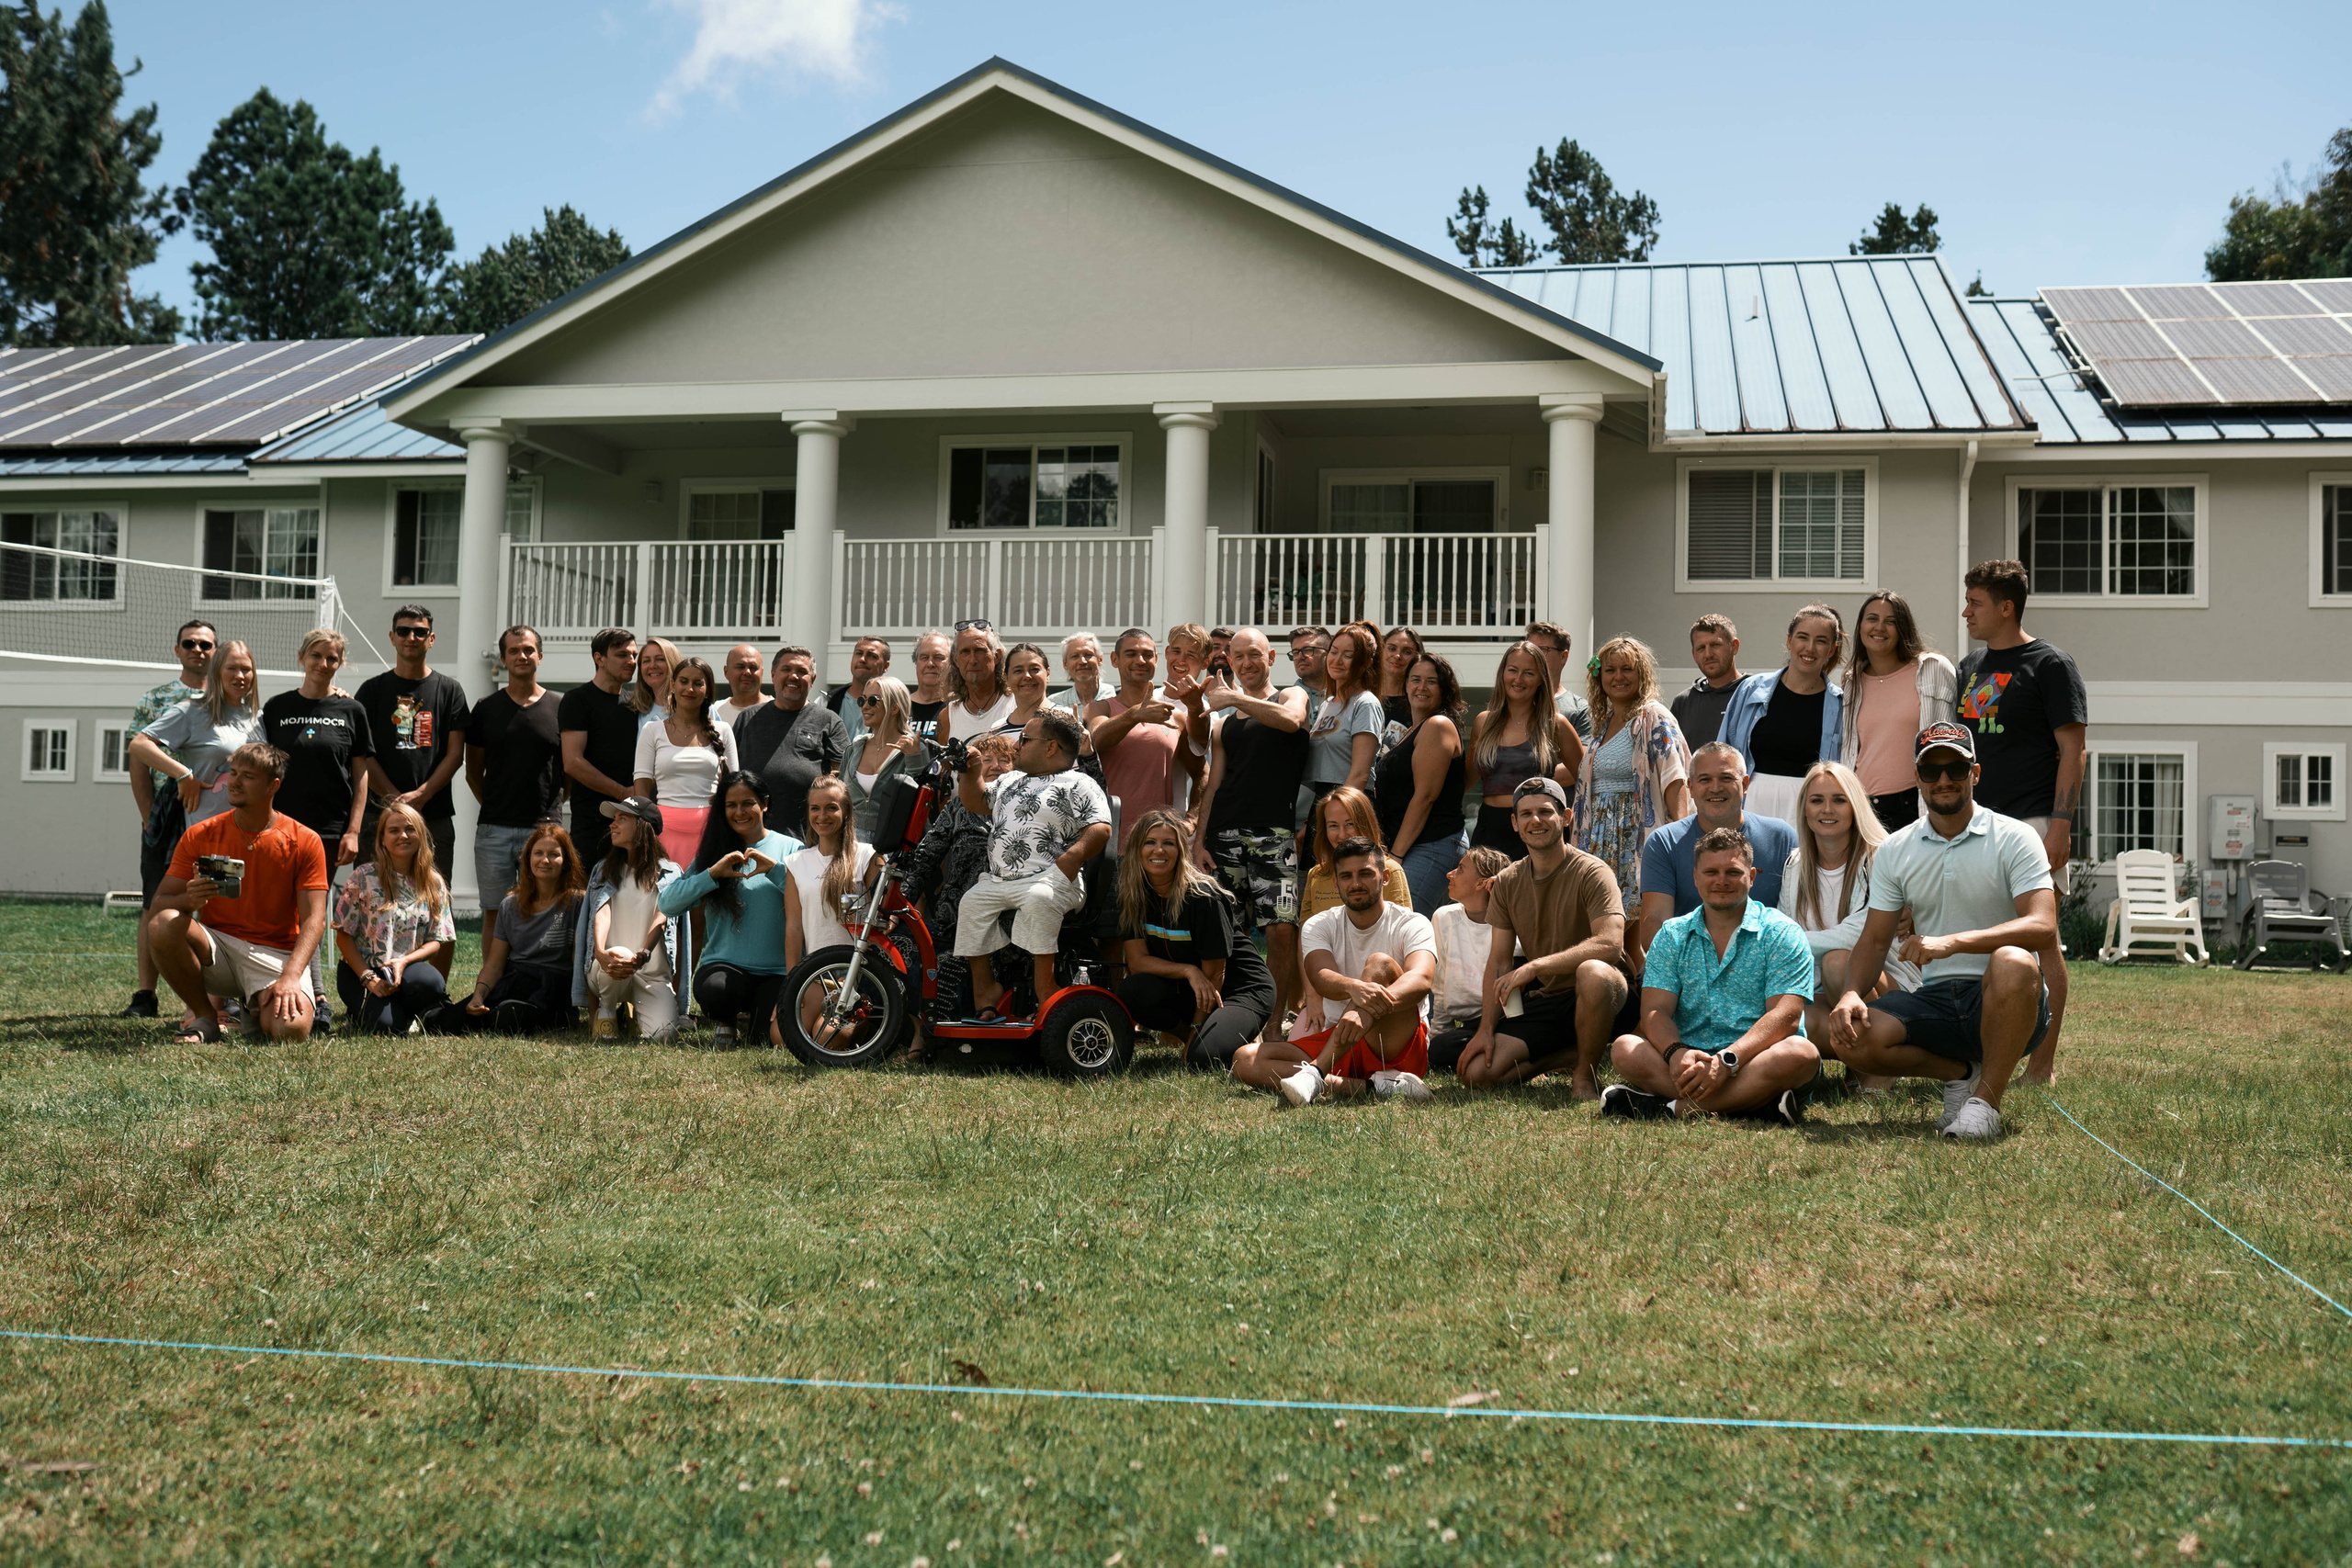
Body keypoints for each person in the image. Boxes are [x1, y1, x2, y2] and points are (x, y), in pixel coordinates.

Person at [1822, 722, 2057, 1141]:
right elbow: (1876, 940)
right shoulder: (1896, 849)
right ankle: (1962, 1074)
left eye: (1956, 768)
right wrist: (1851, 993)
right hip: (1935, 1001)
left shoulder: (2016, 837)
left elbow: (2042, 926)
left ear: (1976, 774)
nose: (1944, 779)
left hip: (2005, 999)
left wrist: (1952, 943)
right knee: (1849, 1040)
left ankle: (1985, 1105)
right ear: (1918, 778)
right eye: (1931, 771)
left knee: (2014, 960)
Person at [1955, 558, 2086, 1088]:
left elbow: (2073, 750)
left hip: (2032, 821)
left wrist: (2060, 823)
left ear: (2006, 607)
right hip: (1976, 823)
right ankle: (1991, 1051)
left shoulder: (2050, 664)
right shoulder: (1970, 667)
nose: (1966, 612)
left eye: (1976, 603)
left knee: (2040, 941)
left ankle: (2042, 1064)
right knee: (1989, 937)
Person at [1603, 827, 1821, 1125]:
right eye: (1711, 872)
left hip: (1756, 1059)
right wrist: (1676, 1053)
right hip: (1688, 1062)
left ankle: (1672, 1109)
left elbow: (1786, 1016)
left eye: (1733, 872)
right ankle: (1754, 1106)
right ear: (1695, 877)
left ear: (1752, 876)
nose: (1721, 881)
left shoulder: (1782, 933)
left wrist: (1728, 1060)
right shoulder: (1672, 935)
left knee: (1800, 1053)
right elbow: (1655, 1010)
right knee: (1625, 1048)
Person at [1453, 779, 1634, 1099]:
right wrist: (1485, 1030)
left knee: (1591, 973)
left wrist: (1536, 966)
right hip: (1551, 998)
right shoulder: (1508, 881)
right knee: (1476, 1073)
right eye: (1525, 814)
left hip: (1607, 994)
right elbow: (1499, 961)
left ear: (1565, 817)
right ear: (1514, 823)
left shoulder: (1593, 871)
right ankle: (1567, 1056)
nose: (1535, 821)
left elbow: (1610, 944)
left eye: (1545, 812)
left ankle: (1585, 1076)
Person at [1231, 836, 1439, 1105]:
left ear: (1385, 877)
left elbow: (1421, 978)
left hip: (1396, 1040)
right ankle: (1373, 1088)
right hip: (1340, 1037)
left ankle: (1316, 1073)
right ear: (1335, 882)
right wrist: (1355, 988)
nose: (1355, 884)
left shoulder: (1412, 923)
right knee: (1244, 1059)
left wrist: (1366, 1008)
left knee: (1381, 964)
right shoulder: (1319, 924)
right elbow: (1320, 976)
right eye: (1346, 876)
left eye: (1365, 874)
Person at [146, 742, 328, 1044]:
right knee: (163, 923)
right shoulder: (200, 834)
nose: (234, 781)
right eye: (232, 773)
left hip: (276, 955)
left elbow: (314, 920)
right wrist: (187, 900)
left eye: (248, 775)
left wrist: (291, 976)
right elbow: (159, 905)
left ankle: (256, 1007)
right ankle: (206, 1017)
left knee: (290, 1031)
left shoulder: (304, 840)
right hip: (218, 950)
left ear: (274, 786)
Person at [952, 709, 1112, 1021]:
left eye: (1024, 739)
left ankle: (1046, 991)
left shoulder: (1078, 782)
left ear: (1050, 747)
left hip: (1053, 880)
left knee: (1039, 900)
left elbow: (1100, 828)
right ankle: (986, 993)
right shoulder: (1011, 779)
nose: (1016, 745)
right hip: (998, 882)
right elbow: (976, 802)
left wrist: (1072, 857)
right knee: (970, 903)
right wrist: (971, 772)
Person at [1191, 629, 1309, 1043]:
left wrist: (1235, 698)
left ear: (1271, 656)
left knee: (1280, 928)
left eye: (1254, 655)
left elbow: (1293, 722)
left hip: (1273, 833)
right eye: (1237, 657)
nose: (1245, 663)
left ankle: (1275, 1023)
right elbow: (1214, 782)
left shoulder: (1291, 697)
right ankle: (1238, 1018)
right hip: (1224, 835)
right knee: (1230, 931)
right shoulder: (1224, 725)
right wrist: (1199, 839)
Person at [262, 628, 379, 1028]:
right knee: (283, 912)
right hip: (280, 827)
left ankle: (319, 998)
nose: (323, 664)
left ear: (339, 663)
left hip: (329, 831)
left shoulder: (352, 710)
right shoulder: (276, 707)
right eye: (316, 655)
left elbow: (361, 775)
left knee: (311, 912)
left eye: (331, 658)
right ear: (302, 657)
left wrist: (354, 829)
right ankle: (304, 994)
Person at [1781, 760, 1916, 1091]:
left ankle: (1881, 1068)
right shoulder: (1795, 864)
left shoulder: (1881, 857)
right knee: (1796, 1020)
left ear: (1855, 805)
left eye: (1839, 799)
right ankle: (1858, 1064)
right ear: (1805, 810)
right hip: (1822, 985)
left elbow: (1863, 933)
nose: (1827, 809)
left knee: (1839, 961)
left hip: (1893, 987)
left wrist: (1791, 943)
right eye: (1817, 800)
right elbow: (1785, 931)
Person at [1114, 810, 1277, 1067]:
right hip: (1192, 985)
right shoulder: (1133, 894)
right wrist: (1188, 970)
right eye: (1150, 842)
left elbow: (1215, 975)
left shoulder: (1203, 897)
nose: (1159, 850)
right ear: (1136, 849)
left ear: (1180, 850)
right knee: (1132, 991)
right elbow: (1137, 962)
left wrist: (1197, 1029)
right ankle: (1194, 1036)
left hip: (1239, 989)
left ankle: (1229, 1032)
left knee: (1201, 1058)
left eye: (1168, 843)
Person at [660, 771, 801, 1045]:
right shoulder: (714, 852)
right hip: (725, 970)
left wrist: (774, 870)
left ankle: (755, 1021)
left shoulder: (792, 848)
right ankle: (727, 1019)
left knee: (764, 1039)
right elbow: (668, 904)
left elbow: (813, 900)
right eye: (731, 805)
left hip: (777, 972)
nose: (740, 812)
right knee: (716, 992)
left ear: (765, 804)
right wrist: (711, 875)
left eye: (748, 803)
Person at [121, 618, 217, 1020]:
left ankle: (211, 996)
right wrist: (149, 818)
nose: (198, 650)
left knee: (211, 900)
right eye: (190, 643)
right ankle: (146, 995)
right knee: (155, 902)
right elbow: (137, 758)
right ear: (176, 650)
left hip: (213, 813)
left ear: (217, 652)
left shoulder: (224, 694)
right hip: (168, 810)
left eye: (206, 645)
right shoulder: (157, 698)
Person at [1636, 742, 1798, 969]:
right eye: (1704, 780)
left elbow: (1796, 918)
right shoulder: (1664, 842)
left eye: (1726, 778)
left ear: (1744, 785)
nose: (1715, 788)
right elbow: (1655, 923)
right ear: (1690, 788)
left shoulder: (1781, 838)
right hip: (1685, 966)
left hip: (1765, 965)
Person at [899, 731, 1023, 1020]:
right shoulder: (957, 809)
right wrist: (900, 900)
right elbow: (925, 857)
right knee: (903, 941)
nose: (994, 766)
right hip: (952, 920)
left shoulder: (1024, 809)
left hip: (1008, 923)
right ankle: (920, 1034)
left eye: (1004, 760)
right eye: (987, 759)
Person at [1571, 636, 1692, 906]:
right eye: (1610, 670)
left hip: (1634, 840)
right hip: (1599, 843)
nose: (1618, 677)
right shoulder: (1602, 725)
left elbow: (1675, 777)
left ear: (1642, 674)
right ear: (1599, 675)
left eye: (1627, 669)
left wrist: (1682, 836)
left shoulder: (1653, 716)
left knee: (1637, 929)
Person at [356, 604, 469, 872]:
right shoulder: (371, 690)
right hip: (379, 815)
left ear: (431, 638)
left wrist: (421, 795)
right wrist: (394, 799)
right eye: (404, 631)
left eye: (420, 632)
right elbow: (363, 753)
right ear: (392, 637)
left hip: (434, 814)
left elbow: (455, 755)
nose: (411, 638)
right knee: (371, 896)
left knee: (435, 897)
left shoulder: (450, 690)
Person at [1718, 604, 1846, 829]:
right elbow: (1723, 753)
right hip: (1750, 807)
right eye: (1802, 638)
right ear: (1789, 641)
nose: (1810, 648)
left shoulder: (1840, 705)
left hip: (1807, 813)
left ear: (1832, 649)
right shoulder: (1750, 690)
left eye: (1821, 641)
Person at [330, 802, 454, 1035]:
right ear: (383, 839)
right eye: (394, 831)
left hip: (404, 971)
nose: (403, 836)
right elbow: (343, 936)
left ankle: (399, 1010)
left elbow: (436, 941)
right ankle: (363, 1012)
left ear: (421, 835)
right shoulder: (362, 877)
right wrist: (368, 978)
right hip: (361, 972)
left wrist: (403, 963)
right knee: (389, 1028)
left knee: (433, 984)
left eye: (410, 829)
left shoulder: (433, 882)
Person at [452, 821, 584, 1034]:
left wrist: (575, 1005)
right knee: (449, 1021)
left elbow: (577, 961)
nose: (545, 860)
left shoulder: (577, 902)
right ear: (528, 859)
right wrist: (478, 996)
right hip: (515, 980)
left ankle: (556, 1017)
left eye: (554, 854)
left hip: (552, 985)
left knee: (506, 1018)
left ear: (566, 861)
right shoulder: (510, 905)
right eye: (538, 853)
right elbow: (494, 965)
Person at [467, 624, 564, 910]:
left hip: (545, 829)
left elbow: (568, 772)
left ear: (540, 656)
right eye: (514, 651)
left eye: (528, 650)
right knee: (495, 914)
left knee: (545, 910)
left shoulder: (561, 707)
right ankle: (496, 960)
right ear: (503, 658)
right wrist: (496, 805)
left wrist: (551, 806)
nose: (521, 656)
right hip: (493, 831)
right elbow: (473, 772)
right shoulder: (485, 708)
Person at [1840, 592, 1957, 831]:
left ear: (1903, 627)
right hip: (1862, 807)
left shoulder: (1932, 669)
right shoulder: (1852, 682)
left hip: (1913, 805)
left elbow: (1950, 742)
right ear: (1861, 626)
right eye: (1872, 619)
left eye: (1890, 621)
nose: (1879, 627)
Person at [130, 639, 264, 834]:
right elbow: (139, 745)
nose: (240, 676)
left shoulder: (258, 718)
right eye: (231, 668)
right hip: (207, 831)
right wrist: (183, 775)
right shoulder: (192, 711)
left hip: (252, 832)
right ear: (216, 671)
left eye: (246, 669)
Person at [577, 796, 683, 1043]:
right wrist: (601, 952)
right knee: (620, 953)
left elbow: (662, 916)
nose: (613, 825)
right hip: (607, 969)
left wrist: (643, 954)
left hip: (651, 975)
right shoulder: (604, 868)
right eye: (614, 819)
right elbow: (603, 911)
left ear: (643, 826)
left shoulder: (670, 873)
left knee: (663, 1036)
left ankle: (635, 1011)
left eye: (622, 818)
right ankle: (608, 1009)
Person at [778, 775, 876, 1039]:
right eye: (815, 808)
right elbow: (794, 926)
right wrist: (792, 983)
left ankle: (864, 1019)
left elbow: (884, 913)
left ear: (846, 811)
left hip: (855, 970)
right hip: (814, 970)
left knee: (827, 1039)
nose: (823, 815)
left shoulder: (867, 855)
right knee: (781, 1037)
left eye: (831, 807)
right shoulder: (795, 862)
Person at [1464, 639, 1580, 860]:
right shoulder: (1484, 722)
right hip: (1489, 829)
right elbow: (1465, 779)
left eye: (1528, 673)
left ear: (1540, 680)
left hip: (1537, 829)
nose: (1518, 680)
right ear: (1502, 674)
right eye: (1513, 671)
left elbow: (1587, 780)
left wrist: (1570, 820)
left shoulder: (1555, 724)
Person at [1373, 651, 1467, 914]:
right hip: (1413, 845)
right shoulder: (1410, 733)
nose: (1421, 687)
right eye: (1415, 679)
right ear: (1405, 685)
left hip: (1433, 844)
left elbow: (1425, 796)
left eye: (1431, 681)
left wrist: (1396, 857)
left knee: (1401, 924)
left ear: (1444, 689)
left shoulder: (1438, 725)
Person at [633, 654, 741, 865]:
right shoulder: (652, 730)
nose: (689, 689)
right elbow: (641, 787)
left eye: (698, 683)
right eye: (683, 681)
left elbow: (735, 786)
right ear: (673, 684)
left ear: (707, 689)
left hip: (712, 831)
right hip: (662, 831)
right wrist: (646, 832)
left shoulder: (723, 730)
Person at [732, 644, 845, 840]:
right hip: (750, 839)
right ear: (773, 675)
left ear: (813, 680)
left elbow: (842, 782)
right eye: (786, 669)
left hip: (808, 842)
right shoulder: (747, 719)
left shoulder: (829, 721)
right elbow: (730, 778)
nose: (793, 676)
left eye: (802, 672)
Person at [1426, 845, 1513, 1076]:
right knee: (1440, 1050)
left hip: (1510, 1020)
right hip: (1471, 1026)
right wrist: (1438, 1035)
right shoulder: (1444, 917)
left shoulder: (1512, 922)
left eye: (1461, 869)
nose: (1450, 874)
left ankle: (1521, 1048)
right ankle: (1507, 1055)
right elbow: (1441, 981)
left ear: (1480, 883)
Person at [560, 627, 641, 871]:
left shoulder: (637, 705)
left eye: (634, 655)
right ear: (599, 659)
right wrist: (622, 793)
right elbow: (573, 762)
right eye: (622, 654)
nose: (632, 661)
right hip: (591, 822)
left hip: (633, 820)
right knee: (588, 899)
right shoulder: (577, 700)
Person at [1089, 628, 1185, 822]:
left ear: (1156, 660)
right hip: (1111, 841)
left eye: (1147, 655)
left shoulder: (1174, 716)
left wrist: (1192, 818)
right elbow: (1097, 738)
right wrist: (1134, 714)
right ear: (1115, 660)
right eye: (1131, 654)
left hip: (1158, 842)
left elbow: (1202, 772)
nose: (1140, 660)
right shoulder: (1099, 709)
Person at [1301, 622, 1385, 830]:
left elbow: (1360, 774)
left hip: (1349, 809)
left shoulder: (1366, 703)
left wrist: (1337, 818)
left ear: (1366, 663)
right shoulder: (1327, 704)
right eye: (1334, 652)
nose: (1337, 660)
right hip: (1324, 805)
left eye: (1347, 655)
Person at [1298, 786, 1414, 924]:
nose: (1342, 834)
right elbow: (1305, 937)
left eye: (1350, 824)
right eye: (1333, 826)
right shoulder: (1316, 874)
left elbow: (1402, 929)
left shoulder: (1390, 869)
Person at [843, 675, 933, 837]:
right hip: (852, 841)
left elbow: (921, 803)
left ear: (894, 708)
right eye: (862, 701)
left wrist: (913, 758)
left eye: (873, 700)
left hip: (892, 842)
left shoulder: (914, 748)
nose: (864, 707)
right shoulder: (855, 747)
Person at [1669, 615, 1744, 750]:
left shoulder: (1754, 694)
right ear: (1694, 655)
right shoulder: (1683, 703)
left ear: (1734, 646)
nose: (1708, 654)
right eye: (1701, 648)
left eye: (1715, 645)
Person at [945, 621, 1014, 743]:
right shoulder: (948, 717)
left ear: (997, 656)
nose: (972, 660)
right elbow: (944, 762)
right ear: (956, 660)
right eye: (965, 652)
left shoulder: (1017, 705)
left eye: (980, 650)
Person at [1525, 620, 1593, 741]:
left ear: (1563, 657)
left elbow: (1582, 758)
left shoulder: (1579, 709)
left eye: (1542, 649)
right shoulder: (1512, 699)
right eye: (1529, 649)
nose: (1533, 655)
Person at [820, 636, 891, 746]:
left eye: (872, 656)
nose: (863, 659)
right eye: (859, 653)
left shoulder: (893, 707)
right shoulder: (826, 702)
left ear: (885, 666)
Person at [1374, 625, 1424, 728]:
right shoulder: (1365, 697)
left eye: (1407, 652)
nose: (1397, 656)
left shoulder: (1420, 701)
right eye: (1392, 649)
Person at [709, 643, 768, 728]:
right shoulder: (716, 712)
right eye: (740, 667)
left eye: (753, 667)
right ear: (726, 672)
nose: (747, 672)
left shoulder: (776, 709)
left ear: (762, 672)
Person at [908, 630, 952, 741]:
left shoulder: (959, 707)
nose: (930, 664)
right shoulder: (899, 707)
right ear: (916, 663)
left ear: (952, 664)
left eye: (938, 657)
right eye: (924, 658)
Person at [630, 636, 681, 728]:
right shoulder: (636, 711)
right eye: (646, 661)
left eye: (660, 659)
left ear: (673, 663)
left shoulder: (695, 707)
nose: (652, 666)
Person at [1049, 632, 1104, 712]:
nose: (1082, 661)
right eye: (1075, 656)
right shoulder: (1054, 703)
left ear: (1100, 660)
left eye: (1088, 655)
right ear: (1065, 664)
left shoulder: (1116, 696)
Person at [1284, 625, 1330, 706]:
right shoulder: (1285, 700)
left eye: (1308, 650)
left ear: (1328, 653)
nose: (1300, 657)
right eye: (1295, 652)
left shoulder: (1348, 696)